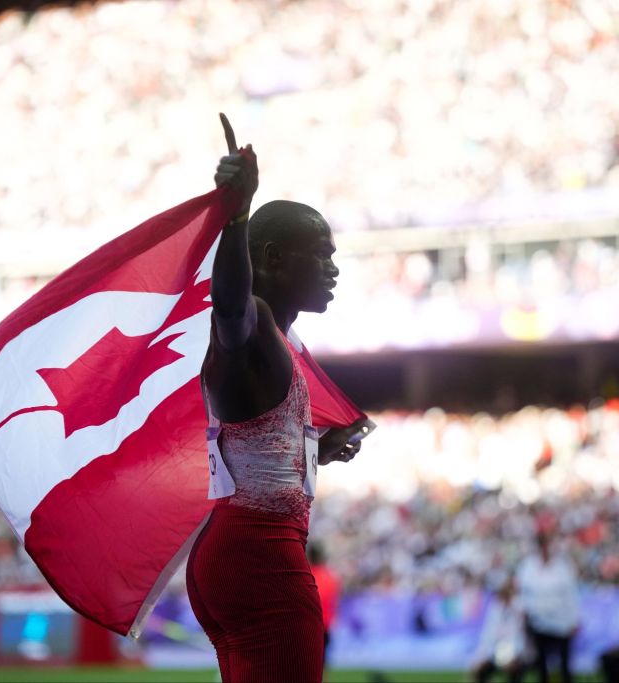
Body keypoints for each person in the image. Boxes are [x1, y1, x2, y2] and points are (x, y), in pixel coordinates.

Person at [185, 114, 370, 683]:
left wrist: (320, 446)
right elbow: (229, 308)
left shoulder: (281, 342)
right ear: (269, 258)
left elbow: (259, 451)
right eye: (320, 253)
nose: (333, 267)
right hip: (260, 555)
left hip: (235, 548)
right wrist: (235, 216)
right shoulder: (254, 324)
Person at [516, 530, 581, 683]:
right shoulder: (528, 566)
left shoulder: (563, 567)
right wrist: (524, 612)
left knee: (564, 662)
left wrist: (574, 619)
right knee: (541, 663)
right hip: (538, 621)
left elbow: (571, 595)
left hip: (562, 621)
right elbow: (523, 592)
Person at [471, 577, 529, 683]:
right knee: (478, 670)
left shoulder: (519, 609)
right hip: (496, 651)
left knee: (515, 668)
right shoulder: (495, 610)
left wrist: (513, 656)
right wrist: (483, 657)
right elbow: (488, 636)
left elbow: (520, 637)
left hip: (514, 653)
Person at [308, 541, 342, 668]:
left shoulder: (306, 573)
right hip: (325, 624)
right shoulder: (330, 576)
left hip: (309, 624)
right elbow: (335, 600)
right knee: (322, 663)